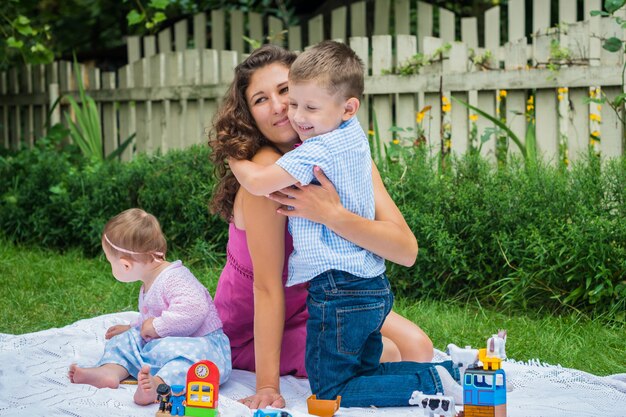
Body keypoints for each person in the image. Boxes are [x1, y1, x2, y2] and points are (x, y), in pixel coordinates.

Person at [227, 41, 462, 408]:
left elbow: (406, 249)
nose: (280, 108)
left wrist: (332, 214)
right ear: (248, 115)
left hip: (324, 297)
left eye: (285, 91)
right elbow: (267, 288)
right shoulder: (264, 175)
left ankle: (435, 379)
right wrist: (268, 386)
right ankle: (429, 383)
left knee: (418, 347)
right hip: (255, 324)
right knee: (387, 353)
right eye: (260, 99)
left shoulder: (340, 154)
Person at [68, 208, 232, 406]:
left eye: (109, 261)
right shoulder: (150, 279)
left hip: (200, 345)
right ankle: (110, 371)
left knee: (189, 366)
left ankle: (158, 386)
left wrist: (156, 326)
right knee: (123, 340)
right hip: (168, 342)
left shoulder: (174, 278)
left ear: (125, 265)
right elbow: (154, 314)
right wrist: (134, 328)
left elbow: (194, 309)